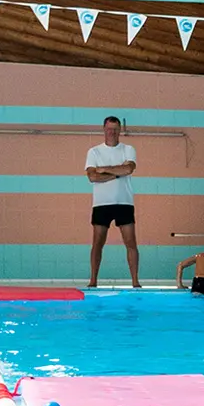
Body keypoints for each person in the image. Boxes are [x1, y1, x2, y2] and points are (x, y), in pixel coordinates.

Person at [86, 115, 141, 289]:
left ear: (120, 131)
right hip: (101, 203)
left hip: (124, 202)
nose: (112, 132)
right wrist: (118, 173)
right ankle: (93, 280)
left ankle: (135, 281)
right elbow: (92, 176)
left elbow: (129, 168)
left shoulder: (128, 149)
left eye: (115, 129)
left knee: (131, 242)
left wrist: (104, 170)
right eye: (109, 129)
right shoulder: (94, 152)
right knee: (97, 243)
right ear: (104, 129)